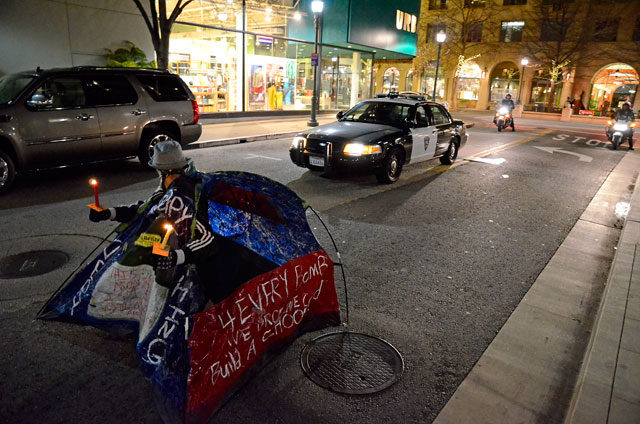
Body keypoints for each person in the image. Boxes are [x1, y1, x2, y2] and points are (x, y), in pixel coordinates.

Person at [89, 140, 220, 290]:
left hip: (196, 274)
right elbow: (145, 210)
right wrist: (109, 213)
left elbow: (208, 239)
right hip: (172, 259)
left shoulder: (185, 195)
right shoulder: (167, 191)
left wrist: (177, 256)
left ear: (163, 172)